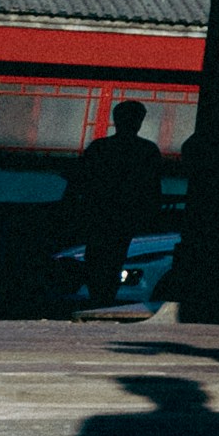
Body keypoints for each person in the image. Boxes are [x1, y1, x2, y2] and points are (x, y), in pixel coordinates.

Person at [61, 99, 167, 311]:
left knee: (96, 258)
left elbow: (79, 182)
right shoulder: (146, 151)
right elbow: (153, 188)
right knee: (116, 258)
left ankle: (98, 298)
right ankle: (104, 298)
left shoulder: (100, 148)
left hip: (99, 215)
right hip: (125, 218)